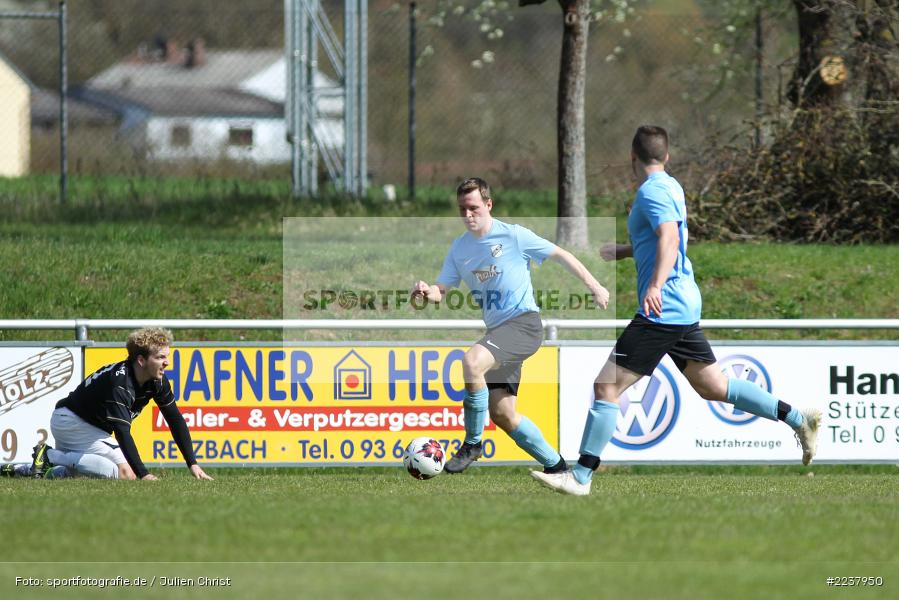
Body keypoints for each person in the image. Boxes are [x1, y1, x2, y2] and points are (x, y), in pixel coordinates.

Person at [531, 125, 823, 496]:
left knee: (606, 387)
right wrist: (625, 251)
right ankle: (797, 418)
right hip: (681, 303)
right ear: (667, 156)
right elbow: (669, 238)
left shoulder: (651, 191)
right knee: (713, 386)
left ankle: (581, 477)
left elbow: (669, 237)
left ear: (632, 157)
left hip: (663, 308)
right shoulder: (671, 186)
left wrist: (654, 285)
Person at [411, 177, 610, 474]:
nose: (468, 215)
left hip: (524, 325)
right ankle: (557, 467)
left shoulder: (513, 235)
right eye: (462, 209)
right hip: (499, 333)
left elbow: (561, 254)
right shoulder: (459, 249)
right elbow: (442, 290)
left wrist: (595, 286)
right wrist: (429, 292)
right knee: (503, 414)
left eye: (474, 208)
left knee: (472, 362)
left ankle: (472, 443)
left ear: (489, 204)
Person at [1, 327, 212, 481]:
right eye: (160, 357)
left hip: (83, 424)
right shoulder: (120, 383)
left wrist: (192, 463)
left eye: (167, 356)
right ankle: (50, 455)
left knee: (88, 472)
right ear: (141, 360)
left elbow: (174, 418)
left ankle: (28, 470)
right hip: (72, 421)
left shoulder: (157, 381)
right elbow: (122, 432)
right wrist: (144, 474)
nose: (167, 362)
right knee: (126, 473)